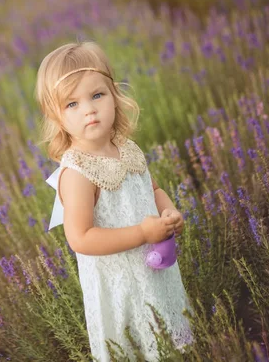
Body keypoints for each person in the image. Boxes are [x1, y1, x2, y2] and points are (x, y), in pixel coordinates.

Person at [35, 41, 195, 361]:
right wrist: (142, 233)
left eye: (97, 95)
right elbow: (80, 237)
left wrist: (168, 210)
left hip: (153, 268)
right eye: (72, 104)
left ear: (114, 95)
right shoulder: (77, 172)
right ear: (56, 116)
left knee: (167, 336)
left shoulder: (127, 147)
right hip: (121, 284)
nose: (89, 109)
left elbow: (152, 189)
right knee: (138, 344)